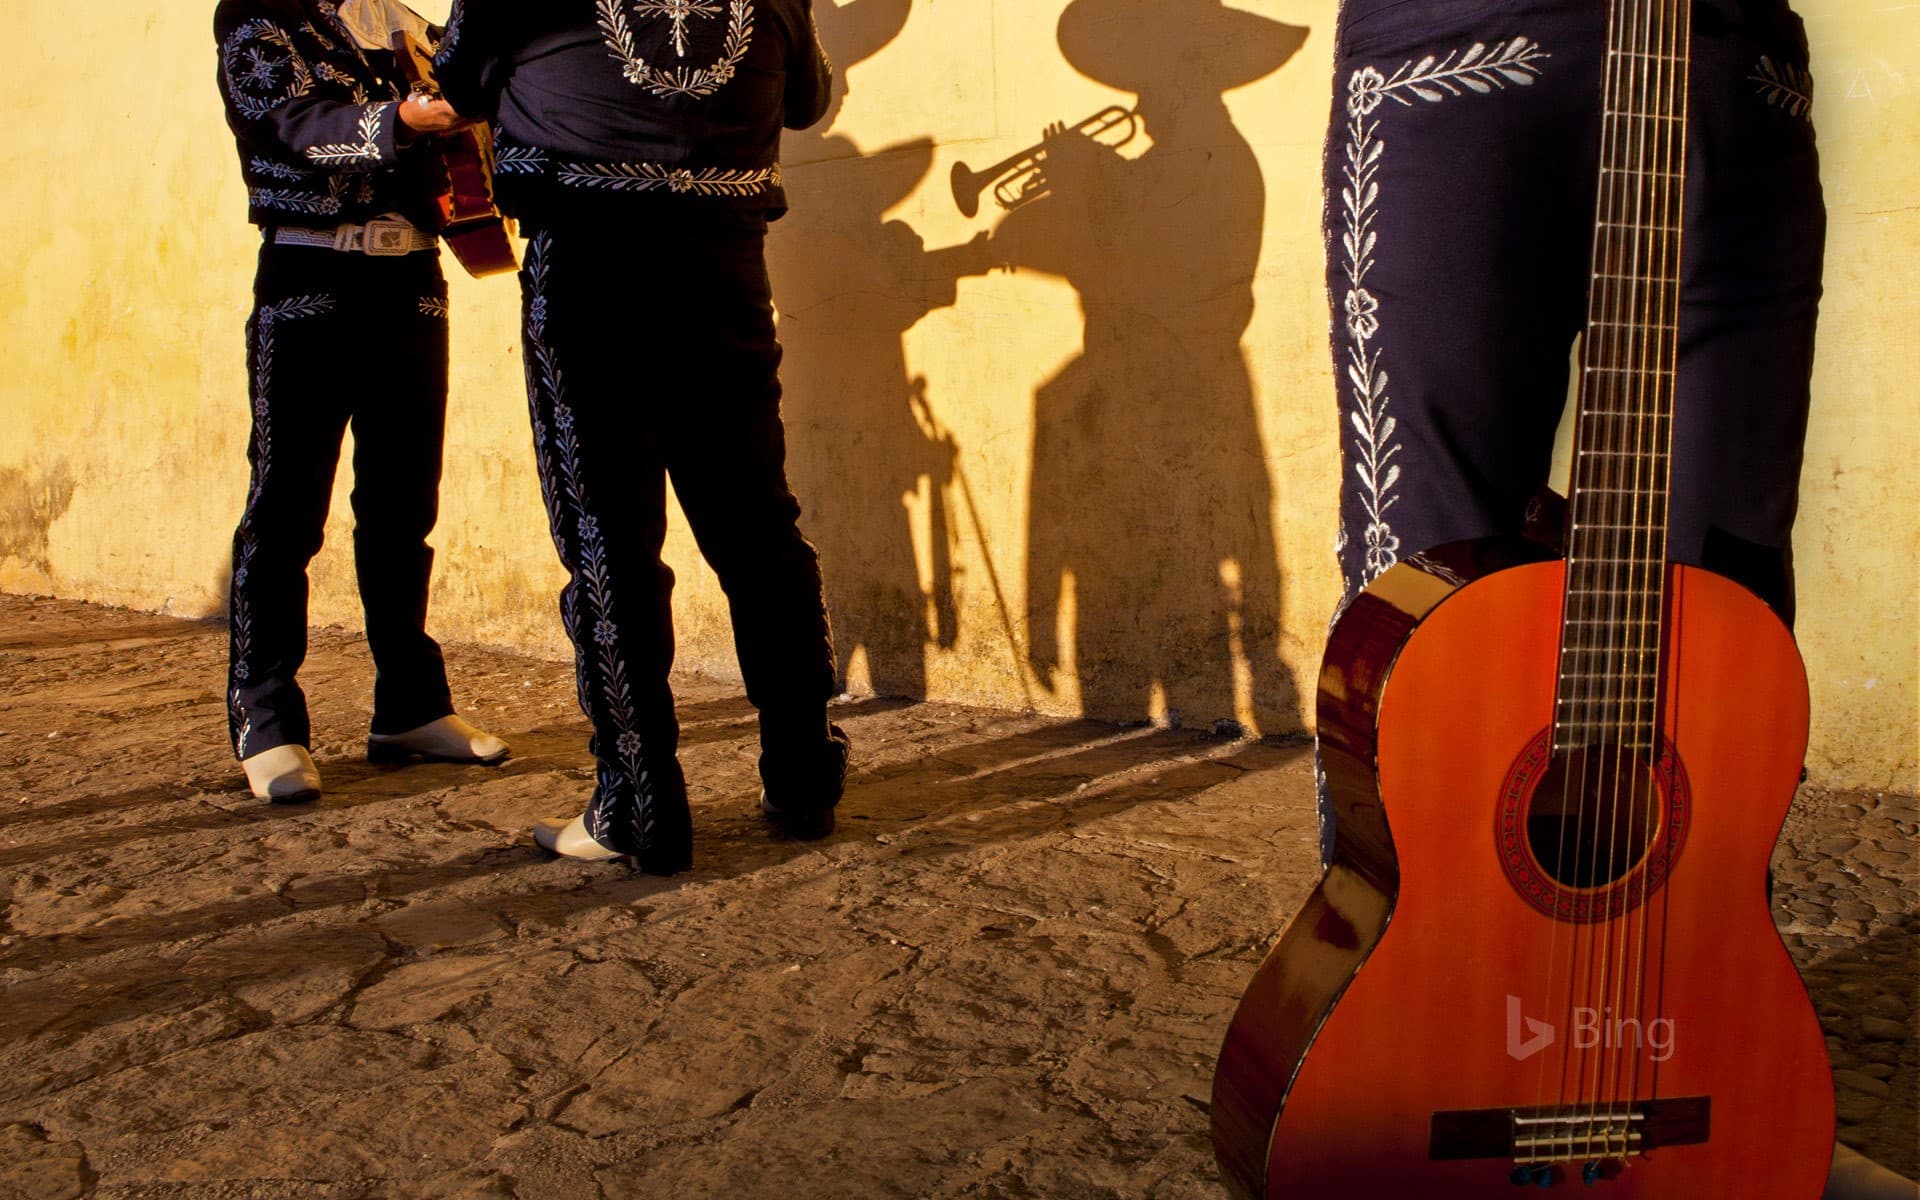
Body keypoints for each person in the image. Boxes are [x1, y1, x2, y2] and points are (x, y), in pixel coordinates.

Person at [433, 0, 849, 873]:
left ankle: (638, 801)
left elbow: (456, 80)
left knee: (608, 533)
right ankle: (804, 778)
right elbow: (810, 100)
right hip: (726, 258)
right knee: (756, 524)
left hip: (590, 256)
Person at [215, 0, 509, 802]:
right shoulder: (259, 16)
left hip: (413, 280)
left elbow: (468, 121)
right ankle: (267, 719)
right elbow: (294, 125)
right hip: (310, 278)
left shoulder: (410, 28)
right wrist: (406, 119)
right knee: (285, 510)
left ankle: (410, 706)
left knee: (403, 510)